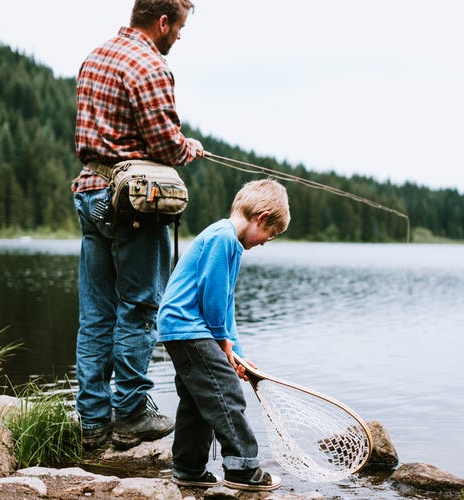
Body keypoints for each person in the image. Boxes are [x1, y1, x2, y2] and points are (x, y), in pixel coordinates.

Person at [71, 0, 203, 450]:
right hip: (131, 205)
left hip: (90, 194)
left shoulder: (95, 56)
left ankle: (92, 422)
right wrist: (190, 148)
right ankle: (129, 414)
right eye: (179, 27)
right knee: (140, 308)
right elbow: (166, 147)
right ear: (162, 22)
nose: (179, 37)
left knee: (96, 314)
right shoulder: (150, 65)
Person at [157, 179, 289, 491]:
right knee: (227, 393)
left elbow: (226, 305)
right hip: (189, 327)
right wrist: (220, 341)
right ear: (261, 217)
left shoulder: (229, 242)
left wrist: (236, 353)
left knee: (198, 399)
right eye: (270, 234)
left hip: (184, 330)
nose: (266, 242)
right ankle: (242, 468)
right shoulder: (223, 238)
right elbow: (211, 297)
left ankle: (188, 468)